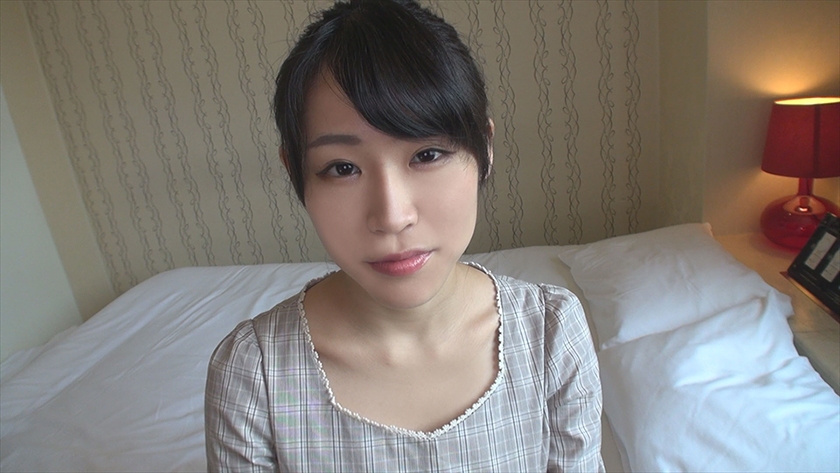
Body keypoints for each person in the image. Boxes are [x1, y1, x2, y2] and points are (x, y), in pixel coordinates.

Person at [204, 0, 604, 471]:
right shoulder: (255, 375)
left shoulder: (551, 334)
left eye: (427, 154)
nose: (392, 216)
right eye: (342, 168)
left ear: (484, 148)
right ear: (296, 172)